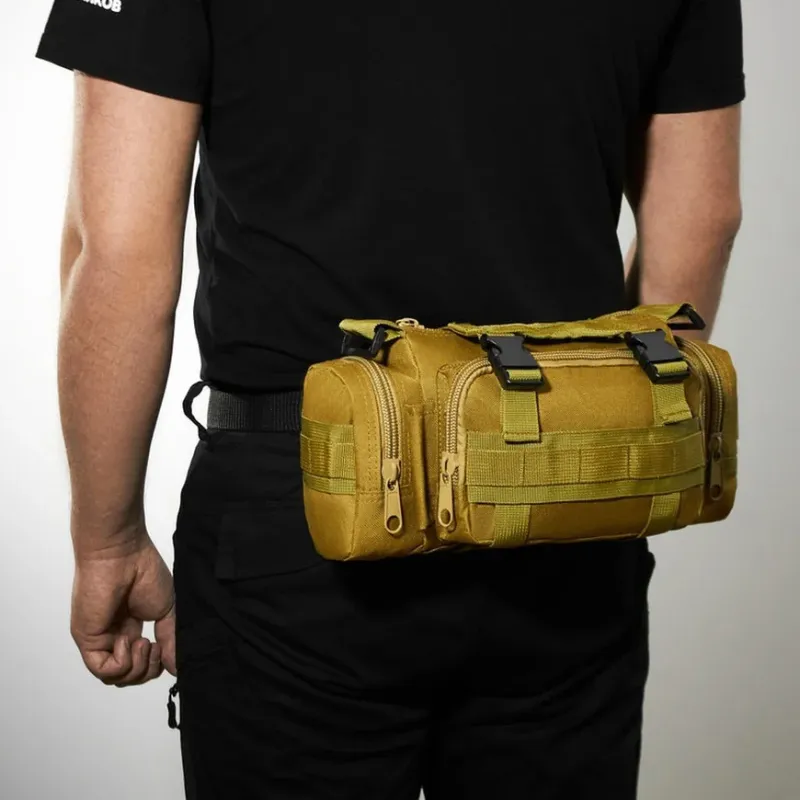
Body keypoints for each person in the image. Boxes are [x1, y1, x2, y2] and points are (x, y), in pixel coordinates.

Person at [36, 0, 744, 797]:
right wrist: (615, 437)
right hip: (559, 497)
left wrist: (107, 542)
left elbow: (116, 251)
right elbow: (704, 220)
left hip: (305, 508)